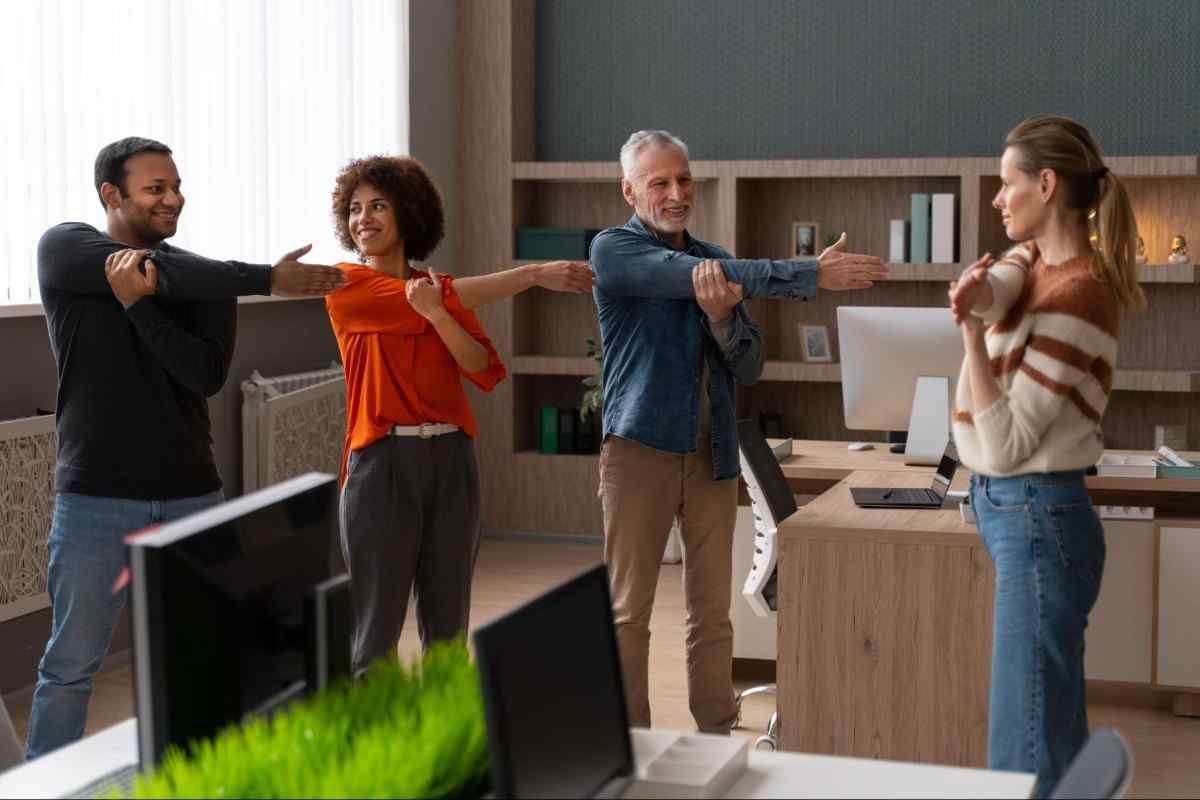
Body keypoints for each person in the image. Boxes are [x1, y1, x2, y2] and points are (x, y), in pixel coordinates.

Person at [26, 136, 344, 760]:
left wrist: (142, 311)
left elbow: (203, 376)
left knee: (211, 657)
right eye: (155, 188)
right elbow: (153, 271)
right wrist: (265, 277)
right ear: (110, 195)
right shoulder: (65, 248)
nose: (173, 198)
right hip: (94, 498)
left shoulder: (206, 281)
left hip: (192, 496)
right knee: (70, 665)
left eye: (176, 186)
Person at [589, 129, 887, 733]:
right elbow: (689, 275)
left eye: (684, 179)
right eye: (659, 183)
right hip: (638, 450)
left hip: (712, 455)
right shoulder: (614, 251)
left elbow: (749, 365)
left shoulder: (718, 263)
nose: (676, 193)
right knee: (628, 612)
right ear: (629, 190)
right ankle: (628, 744)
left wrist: (724, 317)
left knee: (712, 613)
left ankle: (716, 732)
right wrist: (808, 273)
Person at [324, 155, 592, 675]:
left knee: (448, 624)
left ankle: (443, 743)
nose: (364, 218)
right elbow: (422, 298)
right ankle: (370, 746)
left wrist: (437, 315)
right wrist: (533, 273)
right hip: (381, 464)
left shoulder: (437, 292)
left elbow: (483, 368)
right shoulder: (345, 284)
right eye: (354, 209)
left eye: (378, 205)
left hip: (451, 460)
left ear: (408, 212)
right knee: (375, 628)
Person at [949, 114, 1145, 796]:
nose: (998, 199)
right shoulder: (1034, 262)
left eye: (1008, 184)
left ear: (1047, 183)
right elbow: (1004, 284)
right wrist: (980, 298)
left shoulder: (1079, 294)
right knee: (1047, 727)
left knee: (1024, 746)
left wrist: (971, 337)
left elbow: (1005, 444)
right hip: (1026, 517)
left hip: (1038, 515)